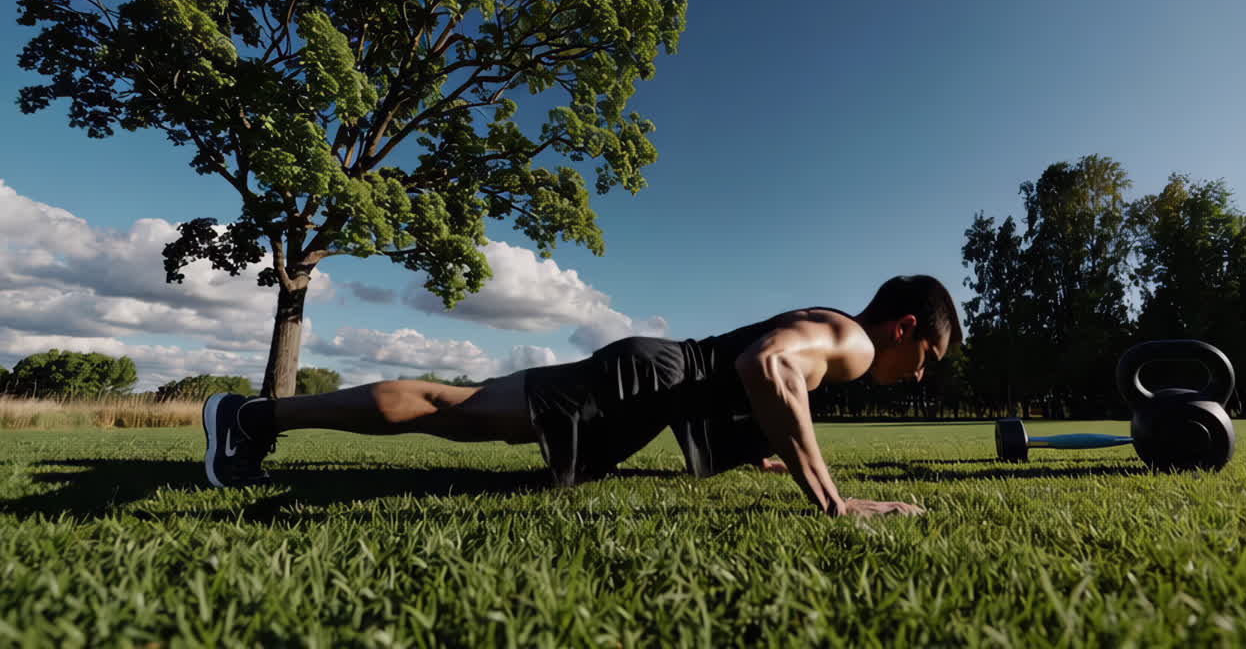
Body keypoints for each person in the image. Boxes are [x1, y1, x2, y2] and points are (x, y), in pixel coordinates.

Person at [202, 275, 961, 518]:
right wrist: (832, 497)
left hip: (648, 382)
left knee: (465, 421)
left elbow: (746, 377)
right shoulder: (855, 344)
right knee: (454, 410)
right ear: (902, 328)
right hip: (641, 381)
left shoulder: (832, 329)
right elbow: (768, 367)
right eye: (927, 356)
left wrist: (756, 449)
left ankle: (258, 419)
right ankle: (252, 416)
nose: (920, 375)